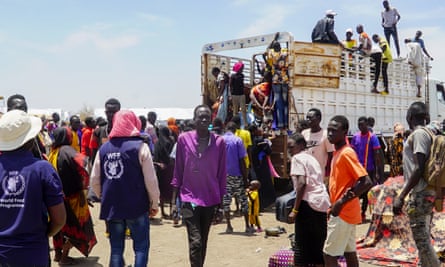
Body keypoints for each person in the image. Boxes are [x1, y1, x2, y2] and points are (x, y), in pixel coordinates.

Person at [90, 110, 160, 267]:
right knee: (141, 248)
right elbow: (151, 180)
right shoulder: (141, 147)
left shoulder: (104, 149)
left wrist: (104, 196)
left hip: (113, 207)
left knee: (116, 249)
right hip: (137, 206)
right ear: (134, 123)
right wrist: (154, 204)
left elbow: (94, 180)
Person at [0, 110, 66, 266]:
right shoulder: (43, 169)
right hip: (33, 253)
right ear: (31, 140)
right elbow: (59, 219)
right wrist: (44, 234)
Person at [170, 104, 227, 267]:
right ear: (194, 119)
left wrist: (221, 205)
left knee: (203, 240)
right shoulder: (183, 139)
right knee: (195, 241)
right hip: (189, 200)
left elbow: (222, 174)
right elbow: (178, 171)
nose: (203, 119)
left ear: (211, 120)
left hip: (210, 199)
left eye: (207, 117)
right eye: (200, 116)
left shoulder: (219, 142)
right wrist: (174, 203)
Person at [393, 101, 441, 266]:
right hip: (426, 192)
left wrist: (402, 195)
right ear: (426, 117)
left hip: (420, 194)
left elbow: (418, 168)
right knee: (424, 237)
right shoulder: (429, 133)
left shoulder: (419, 134)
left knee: (422, 242)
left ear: (409, 117)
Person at [323, 115, 373, 267]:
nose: (330, 134)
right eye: (329, 130)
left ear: (344, 131)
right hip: (345, 211)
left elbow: (366, 181)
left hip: (343, 212)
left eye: (334, 130)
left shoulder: (346, 153)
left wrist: (340, 202)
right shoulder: (337, 152)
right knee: (349, 253)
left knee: (328, 255)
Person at [49, 126, 97, 264]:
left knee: (59, 228)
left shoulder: (53, 152)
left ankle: (58, 254)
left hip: (57, 197)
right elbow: (84, 163)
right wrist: (84, 186)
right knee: (76, 228)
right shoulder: (67, 151)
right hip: (73, 198)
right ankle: (64, 258)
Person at [287, 133, 330, 267]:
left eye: (291, 147)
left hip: (307, 203)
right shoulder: (311, 159)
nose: (289, 150)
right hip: (321, 202)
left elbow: (301, 183)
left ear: (300, 145)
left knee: (301, 246)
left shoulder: (297, 159)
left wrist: (295, 210)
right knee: (318, 245)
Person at [350, 116, 385, 222]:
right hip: (358, 170)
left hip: (369, 169)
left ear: (367, 125)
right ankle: (355, 212)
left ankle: (363, 212)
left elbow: (377, 154)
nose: (361, 126)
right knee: (356, 192)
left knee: (366, 193)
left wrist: (378, 172)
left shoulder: (372, 137)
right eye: (359, 124)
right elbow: (352, 152)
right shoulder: (355, 137)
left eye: (363, 124)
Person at [222, 122, 249, 234]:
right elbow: (242, 160)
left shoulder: (220, 140)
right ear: (235, 130)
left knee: (226, 202)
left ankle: (229, 226)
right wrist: (245, 177)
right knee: (243, 200)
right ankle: (247, 226)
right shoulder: (237, 140)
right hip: (237, 175)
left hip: (224, 176)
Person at [301, 108, 334, 183]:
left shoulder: (325, 135)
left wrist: (328, 174)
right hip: (306, 173)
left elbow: (331, 156)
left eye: (311, 118)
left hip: (320, 175)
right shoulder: (304, 133)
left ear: (319, 119)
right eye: (307, 118)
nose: (308, 120)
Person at [264, 32, 289, 130]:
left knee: (279, 104)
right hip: (285, 81)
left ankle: (281, 124)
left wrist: (274, 39)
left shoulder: (272, 54)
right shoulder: (285, 53)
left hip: (276, 81)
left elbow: (267, 50)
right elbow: (289, 47)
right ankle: (287, 123)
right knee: (286, 103)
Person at [153, 126, 175, 219]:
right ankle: (171, 212)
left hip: (159, 170)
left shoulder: (157, 143)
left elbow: (154, 158)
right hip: (169, 170)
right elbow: (172, 156)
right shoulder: (170, 142)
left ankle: (162, 212)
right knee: (170, 191)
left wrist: (158, 164)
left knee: (161, 191)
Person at [230, 61, 247, 128]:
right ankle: (235, 124)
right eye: (241, 68)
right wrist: (230, 95)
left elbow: (242, 85)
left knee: (243, 110)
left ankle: (245, 124)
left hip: (241, 95)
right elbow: (230, 85)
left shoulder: (242, 76)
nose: (242, 69)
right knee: (235, 111)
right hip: (235, 95)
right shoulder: (233, 76)